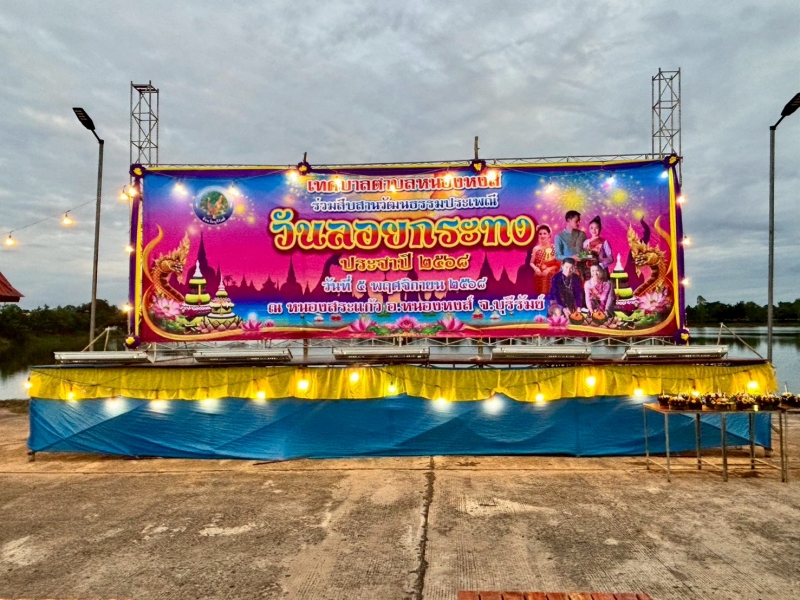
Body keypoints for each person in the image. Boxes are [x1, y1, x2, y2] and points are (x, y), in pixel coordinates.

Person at [530, 224, 560, 295]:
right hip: (539, 275)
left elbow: (558, 264)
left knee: (552, 295)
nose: (542, 235)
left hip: (552, 276)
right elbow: (531, 262)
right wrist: (536, 269)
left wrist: (548, 269)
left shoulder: (554, 248)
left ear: (549, 235)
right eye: (540, 234)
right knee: (540, 296)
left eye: (544, 233)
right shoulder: (536, 249)